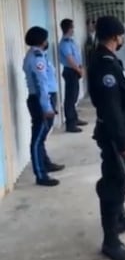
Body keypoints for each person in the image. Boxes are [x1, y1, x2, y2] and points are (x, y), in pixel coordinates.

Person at [88, 16, 125, 260]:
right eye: (121, 35)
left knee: (122, 179)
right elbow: (110, 109)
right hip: (115, 136)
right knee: (113, 183)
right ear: (115, 36)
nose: (124, 39)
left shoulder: (110, 59)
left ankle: (119, 217)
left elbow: (119, 101)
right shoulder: (104, 65)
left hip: (121, 130)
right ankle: (110, 241)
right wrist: (123, 143)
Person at [23, 27, 65, 187]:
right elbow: (41, 84)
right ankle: (40, 175)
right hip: (40, 100)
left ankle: (45, 163)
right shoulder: (37, 58)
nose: (47, 42)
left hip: (43, 99)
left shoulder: (38, 56)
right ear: (41, 41)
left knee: (42, 136)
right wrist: (47, 106)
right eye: (46, 39)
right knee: (38, 138)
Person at [58, 18, 88, 133]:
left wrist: (80, 68)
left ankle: (75, 119)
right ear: (68, 28)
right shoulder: (65, 43)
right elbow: (70, 59)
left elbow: (76, 57)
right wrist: (78, 69)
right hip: (70, 71)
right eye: (72, 27)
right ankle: (70, 124)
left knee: (74, 97)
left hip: (75, 70)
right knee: (70, 99)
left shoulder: (70, 41)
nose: (73, 29)